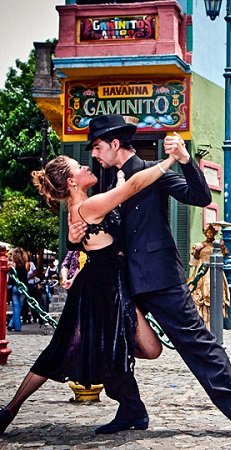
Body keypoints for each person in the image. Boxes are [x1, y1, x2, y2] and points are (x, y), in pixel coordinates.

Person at [68, 114, 231, 440]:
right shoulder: (102, 180)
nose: (95, 154)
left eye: (99, 147)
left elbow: (199, 197)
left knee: (198, 344)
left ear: (116, 144)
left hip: (159, 277)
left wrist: (186, 161)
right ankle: (131, 409)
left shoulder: (154, 171)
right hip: (119, 280)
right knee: (109, 344)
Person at [0, 149, 172, 435]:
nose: (87, 166)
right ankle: (10, 409)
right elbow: (133, 187)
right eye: (79, 166)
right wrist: (169, 162)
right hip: (100, 291)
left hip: (110, 286)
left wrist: (119, 171)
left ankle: (131, 406)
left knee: (138, 349)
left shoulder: (83, 208)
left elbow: (115, 198)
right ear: (71, 182)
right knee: (63, 351)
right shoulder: (86, 208)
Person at [188, 223, 230, 325]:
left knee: (214, 292)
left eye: (211, 232)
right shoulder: (200, 245)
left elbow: (225, 254)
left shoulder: (217, 245)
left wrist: (223, 246)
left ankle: (214, 319)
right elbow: (196, 257)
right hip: (201, 270)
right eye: (208, 232)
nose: (209, 234)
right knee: (199, 293)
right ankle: (201, 318)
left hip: (214, 270)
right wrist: (198, 249)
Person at [7, 247, 29, 332]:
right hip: (23, 287)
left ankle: (15, 326)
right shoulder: (27, 264)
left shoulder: (13, 264)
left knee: (16, 307)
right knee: (20, 307)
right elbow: (26, 274)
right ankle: (14, 325)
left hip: (15, 287)